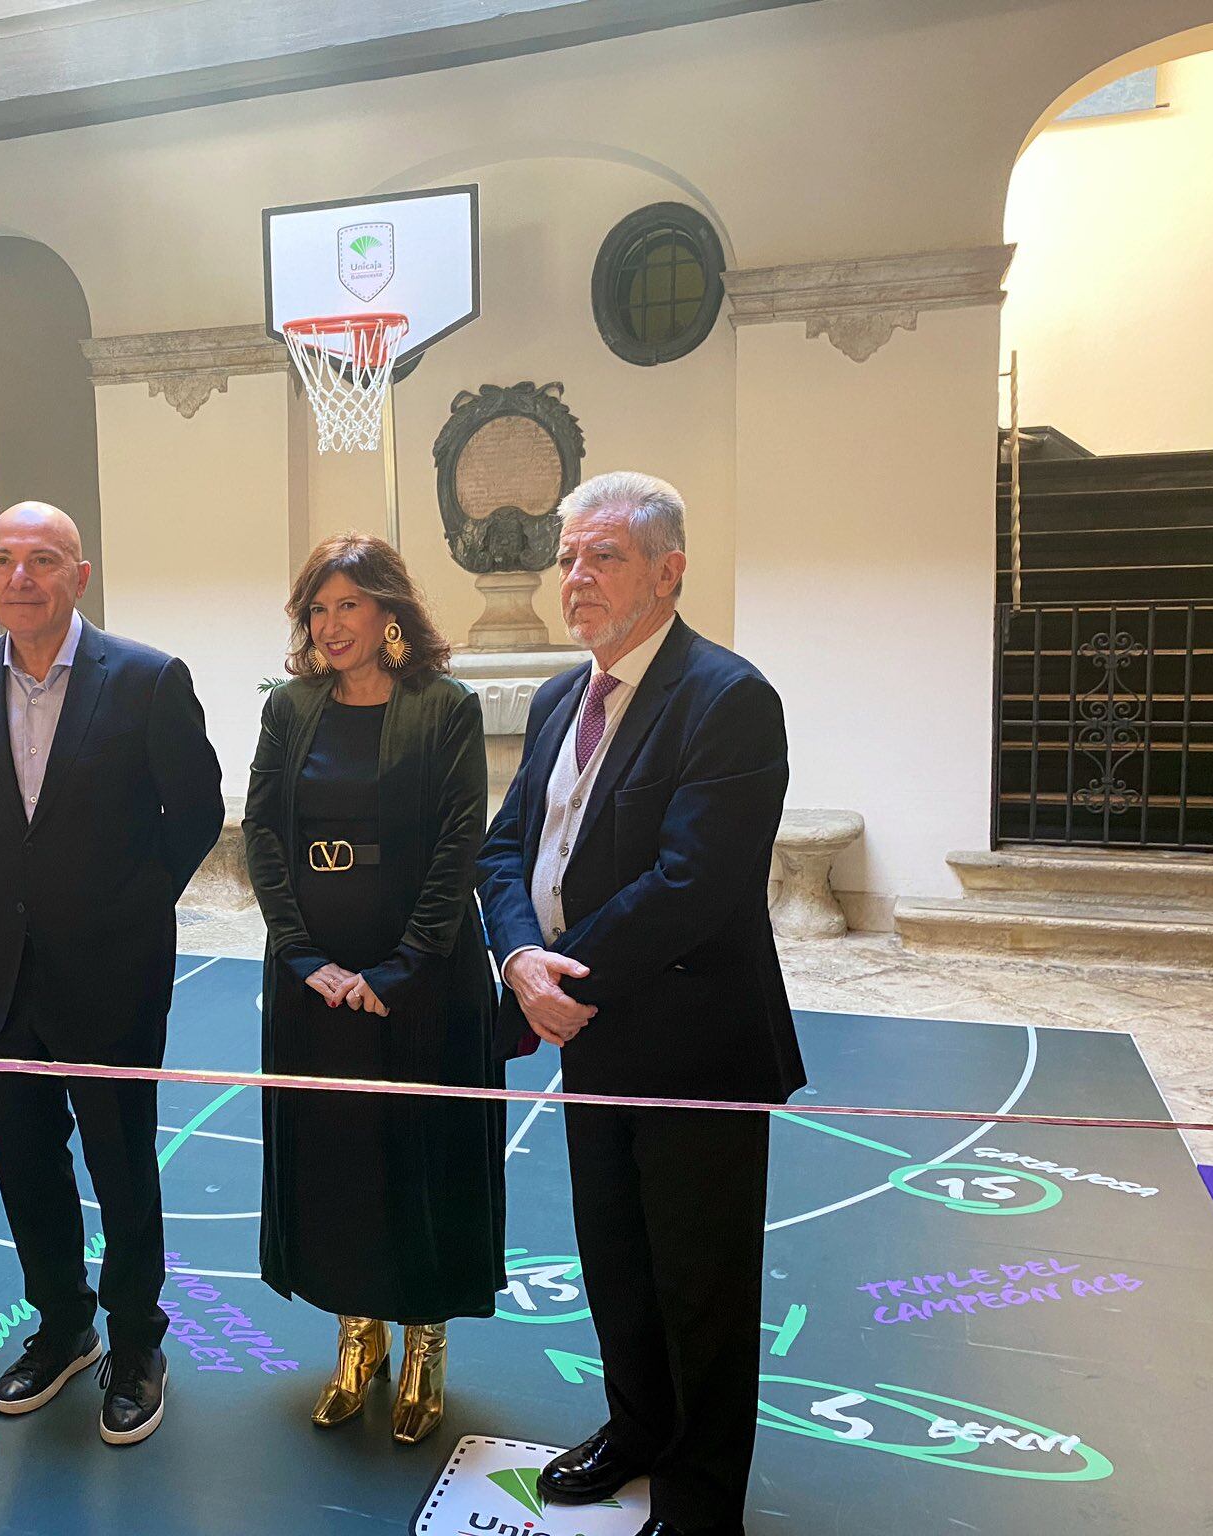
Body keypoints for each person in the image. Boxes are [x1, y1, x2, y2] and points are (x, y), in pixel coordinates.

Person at [477, 472, 801, 1536]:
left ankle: (702, 1496)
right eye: (568, 555)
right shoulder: (559, 696)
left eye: (601, 555)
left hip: (692, 1040)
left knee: (699, 1282)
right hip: (590, 1028)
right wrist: (521, 960)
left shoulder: (726, 697)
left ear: (667, 572)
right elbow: (505, 849)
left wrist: (556, 981)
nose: (574, 575)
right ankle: (634, 1431)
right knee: (613, 1253)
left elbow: (692, 884)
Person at [0, 501, 224, 1447]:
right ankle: (62, 1326)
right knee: (24, 1160)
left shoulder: (145, 679)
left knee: (122, 1165)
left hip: (112, 971)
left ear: (80, 576)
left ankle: (137, 1342)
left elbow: (195, 811)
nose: (23, 578)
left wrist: (130, 908)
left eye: (44, 560)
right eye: (5, 560)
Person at [243, 533, 503, 1446]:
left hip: (422, 979)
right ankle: (358, 1334)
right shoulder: (291, 708)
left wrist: (396, 970)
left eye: (348, 604)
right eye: (318, 608)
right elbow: (264, 838)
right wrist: (305, 958)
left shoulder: (446, 707)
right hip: (313, 981)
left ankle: (424, 1337)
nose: (331, 624)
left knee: (418, 1154)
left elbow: (457, 849)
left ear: (389, 609)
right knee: (337, 1157)